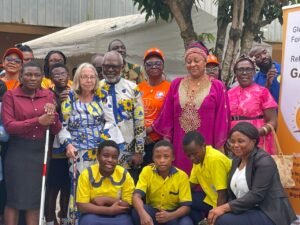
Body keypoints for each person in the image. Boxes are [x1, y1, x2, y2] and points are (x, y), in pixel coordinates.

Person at [58, 62, 122, 224]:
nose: (89, 80)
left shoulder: (102, 96)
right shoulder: (69, 98)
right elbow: (63, 126)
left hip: (99, 151)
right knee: (79, 188)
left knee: (99, 187)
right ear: (78, 79)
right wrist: (68, 145)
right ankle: (77, 221)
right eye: (85, 77)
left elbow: (110, 121)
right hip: (77, 152)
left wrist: (103, 140)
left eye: (92, 76)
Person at [151, 42, 230, 174]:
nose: (192, 64)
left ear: (205, 61)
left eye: (196, 60)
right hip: (179, 144)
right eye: (188, 61)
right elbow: (167, 116)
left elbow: (222, 118)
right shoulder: (176, 84)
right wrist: (167, 144)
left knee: (205, 177)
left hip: (206, 144)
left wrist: (219, 147)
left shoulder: (217, 86)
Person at [2, 61, 61, 225]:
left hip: (40, 153)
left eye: (37, 75)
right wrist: (38, 121)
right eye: (28, 74)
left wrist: (53, 115)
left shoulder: (48, 95)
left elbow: (56, 128)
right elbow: (9, 126)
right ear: (21, 76)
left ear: (42, 77)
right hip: (18, 152)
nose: (32, 78)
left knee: (35, 201)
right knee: (14, 200)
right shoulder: (11, 96)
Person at [207, 122, 297, 225]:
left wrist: (224, 208)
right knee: (215, 216)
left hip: (268, 212)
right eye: (232, 141)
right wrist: (219, 210)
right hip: (247, 209)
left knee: (221, 220)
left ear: (253, 142)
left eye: (241, 141)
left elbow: (256, 195)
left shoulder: (264, 161)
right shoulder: (236, 160)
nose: (235, 145)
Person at [99, 50, 145, 182]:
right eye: (107, 66)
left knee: (126, 191)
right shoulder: (96, 88)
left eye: (114, 66)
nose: (110, 69)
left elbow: (139, 121)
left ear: (121, 67)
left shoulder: (132, 88)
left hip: (128, 150)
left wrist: (139, 151)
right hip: (103, 151)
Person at [132, 140, 193, 225]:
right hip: (154, 212)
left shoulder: (182, 176)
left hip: (174, 214)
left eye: (166, 156)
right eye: (158, 157)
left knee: (186, 223)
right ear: (153, 158)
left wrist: (170, 216)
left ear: (173, 158)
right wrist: (143, 214)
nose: (162, 160)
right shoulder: (147, 171)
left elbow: (186, 207)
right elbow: (136, 196)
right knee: (137, 212)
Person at [228, 55, 278, 155]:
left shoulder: (263, 92)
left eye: (248, 69)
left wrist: (258, 132)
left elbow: (273, 121)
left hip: (258, 141)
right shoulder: (228, 94)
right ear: (235, 73)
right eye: (240, 69)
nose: (244, 73)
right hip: (234, 144)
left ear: (254, 72)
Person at [76, 140, 134, 225]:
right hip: (93, 213)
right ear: (98, 156)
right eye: (105, 156)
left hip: (118, 214)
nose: (110, 160)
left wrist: (106, 200)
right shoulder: (87, 174)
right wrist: (109, 211)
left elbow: (127, 205)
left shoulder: (124, 174)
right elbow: (82, 206)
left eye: (114, 157)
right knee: (87, 222)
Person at [182, 131, 231, 225]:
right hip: (211, 198)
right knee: (186, 200)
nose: (192, 158)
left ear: (203, 146)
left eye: (194, 154)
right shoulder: (198, 159)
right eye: (189, 155)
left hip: (226, 201)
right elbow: (190, 185)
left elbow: (222, 193)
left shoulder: (214, 160)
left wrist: (216, 216)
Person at [44, 64, 71, 225]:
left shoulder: (74, 91)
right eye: (56, 74)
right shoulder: (48, 94)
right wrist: (59, 104)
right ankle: (49, 218)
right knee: (53, 185)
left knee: (67, 185)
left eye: (63, 73)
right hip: (54, 148)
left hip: (71, 145)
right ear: (51, 79)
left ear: (68, 75)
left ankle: (65, 216)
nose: (60, 77)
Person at [138, 48, 170, 167]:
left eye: (158, 63)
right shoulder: (138, 88)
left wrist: (152, 131)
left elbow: (168, 115)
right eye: (149, 64)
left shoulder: (170, 88)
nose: (154, 66)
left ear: (163, 66)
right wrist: (142, 134)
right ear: (145, 67)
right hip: (139, 141)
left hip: (160, 140)